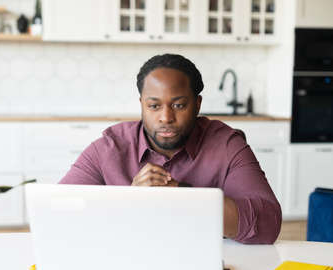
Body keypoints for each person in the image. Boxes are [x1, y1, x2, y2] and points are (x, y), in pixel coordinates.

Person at [59, 54, 282, 244]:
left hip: (205, 263)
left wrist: (184, 198)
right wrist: (127, 201)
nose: (166, 118)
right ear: (142, 105)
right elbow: (59, 211)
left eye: (179, 105)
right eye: (154, 106)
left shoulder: (227, 145)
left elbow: (268, 222)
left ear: (197, 104)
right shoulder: (108, 149)